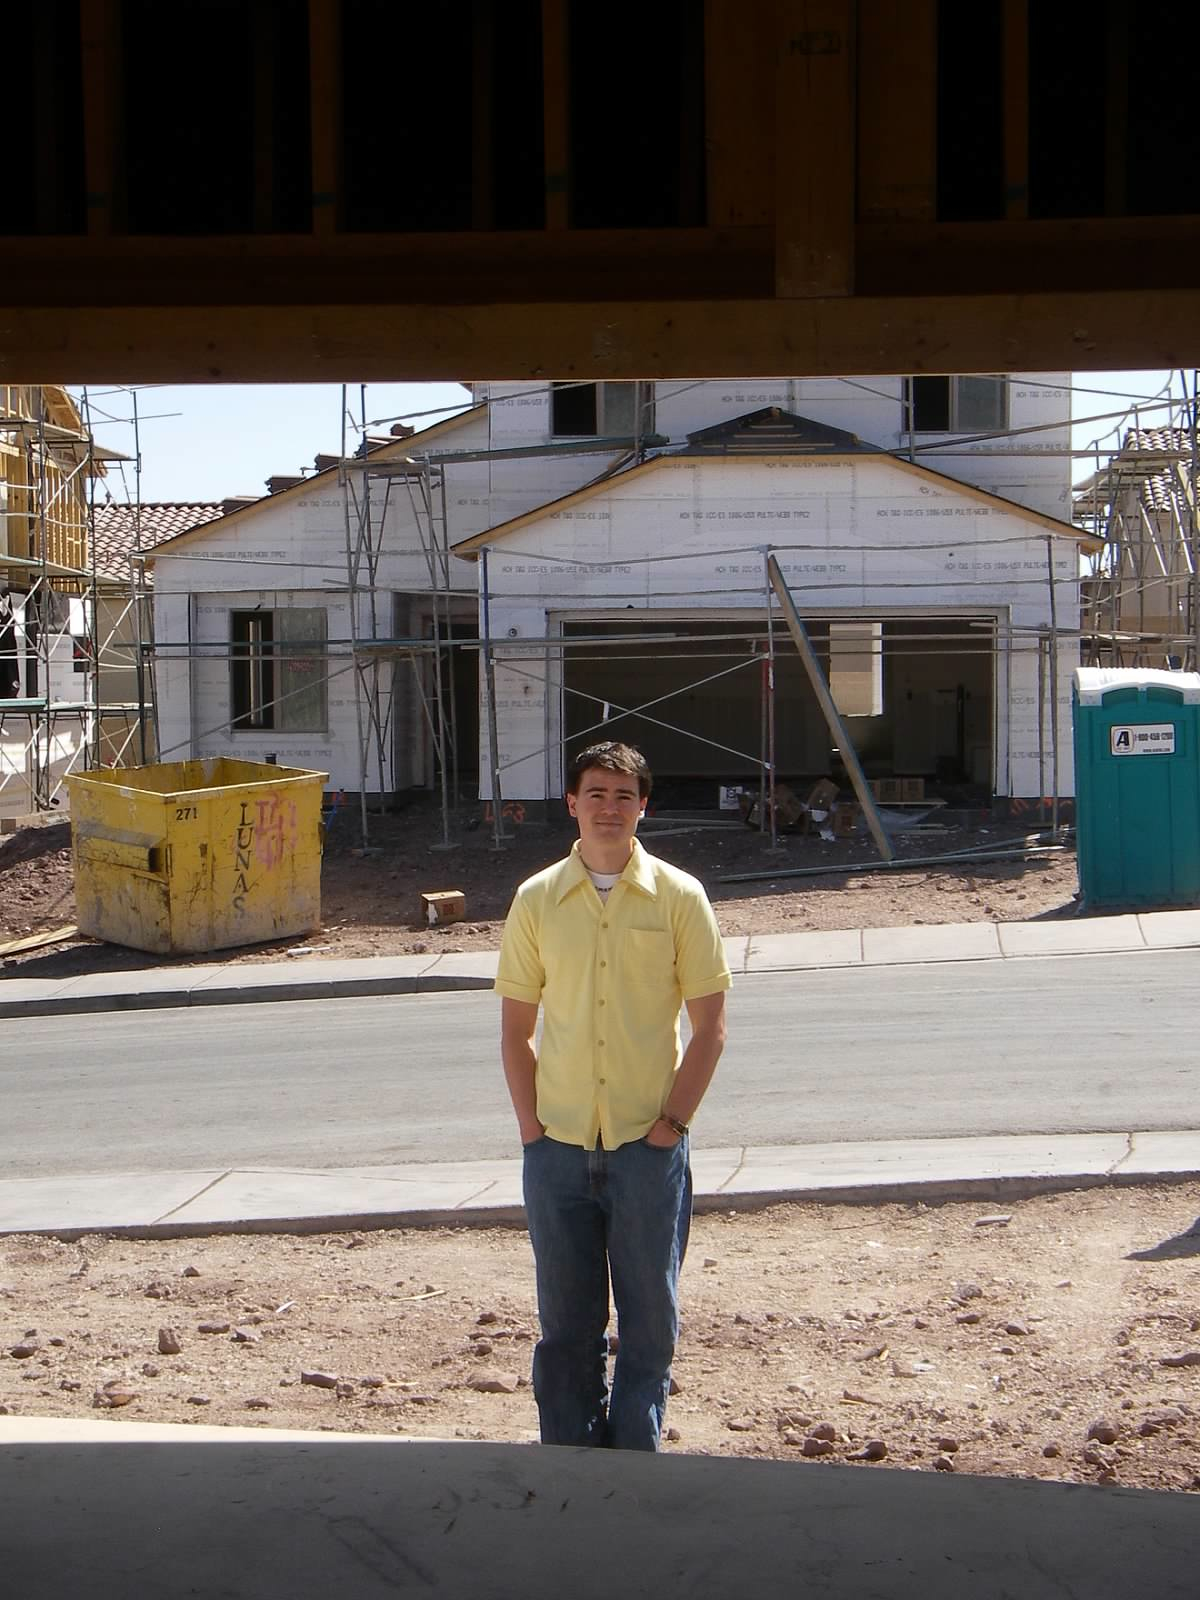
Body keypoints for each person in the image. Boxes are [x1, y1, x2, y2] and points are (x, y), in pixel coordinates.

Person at [495, 740, 730, 1450]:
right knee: (566, 1327)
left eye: (624, 796)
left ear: (642, 808)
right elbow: (514, 1030)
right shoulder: (537, 900)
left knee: (649, 1322)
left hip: (644, 1153)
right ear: (571, 803)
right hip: (558, 1154)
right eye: (595, 793)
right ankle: (570, 1462)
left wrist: (670, 1126)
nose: (608, 808)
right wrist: (533, 1133)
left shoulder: (680, 898)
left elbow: (711, 1027)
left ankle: (635, 1455)